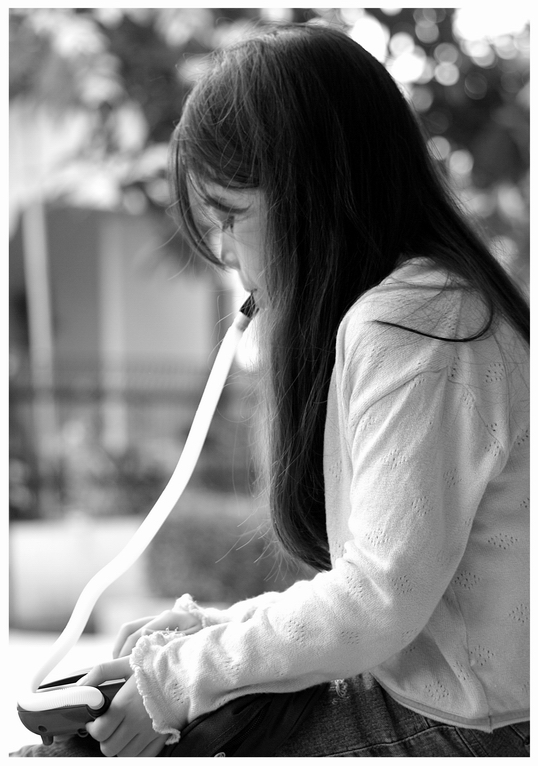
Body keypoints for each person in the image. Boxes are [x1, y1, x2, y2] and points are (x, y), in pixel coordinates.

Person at [13, 22, 529, 758]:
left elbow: (376, 601)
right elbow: (386, 590)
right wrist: (216, 635)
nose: (224, 252)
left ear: (319, 188)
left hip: (465, 733)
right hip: (429, 705)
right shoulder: (418, 305)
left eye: (230, 216)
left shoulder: (419, 321)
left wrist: (179, 677)